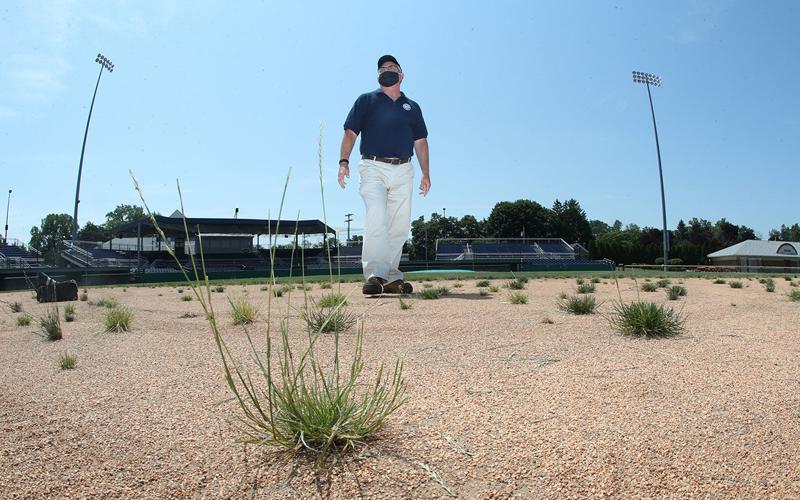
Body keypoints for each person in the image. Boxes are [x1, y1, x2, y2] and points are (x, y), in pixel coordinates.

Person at [338, 54, 430, 295]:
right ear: (378, 76)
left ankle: (391, 277)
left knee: (399, 223)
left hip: (404, 168)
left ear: (402, 74)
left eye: (392, 66)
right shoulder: (366, 101)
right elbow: (350, 133)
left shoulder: (412, 107)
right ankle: (374, 275)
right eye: (382, 68)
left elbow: (420, 141)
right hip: (373, 167)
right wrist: (343, 161)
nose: (387, 69)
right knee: (377, 217)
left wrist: (426, 173)